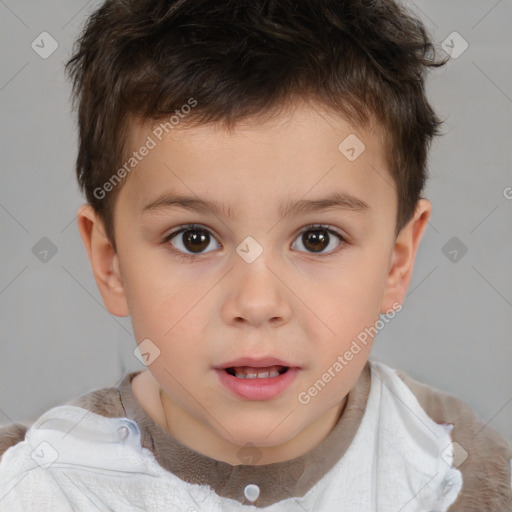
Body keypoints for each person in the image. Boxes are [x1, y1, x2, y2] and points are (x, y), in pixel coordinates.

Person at [1, 0, 511, 510]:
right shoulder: (37, 484)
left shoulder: (459, 469)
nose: (258, 301)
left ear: (397, 261)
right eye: (194, 239)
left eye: (317, 239)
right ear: (110, 262)